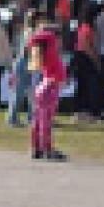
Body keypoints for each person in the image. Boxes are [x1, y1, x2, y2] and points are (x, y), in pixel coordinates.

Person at [27, 21, 68, 161]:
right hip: (50, 87)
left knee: (39, 119)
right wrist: (47, 31)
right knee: (46, 121)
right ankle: (46, 148)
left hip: (44, 86)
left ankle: (37, 147)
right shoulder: (51, 48)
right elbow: (41, 37)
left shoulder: (44, 53)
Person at [71, 2, 102, 122]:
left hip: (81, 57)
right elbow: (87, 46)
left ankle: (81, 111)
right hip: (84, 58)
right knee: (88, 86)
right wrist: (96, 60)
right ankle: (84, 112)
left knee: (82, 85)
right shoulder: (87, 28)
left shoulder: (82, 27)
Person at [7, 9, 37, 127]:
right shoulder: (29, 32)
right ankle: (13, 118)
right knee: (20, 92)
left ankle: (30, 117)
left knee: (31, 92)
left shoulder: (26, 31)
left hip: (28, 62)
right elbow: (27, 49)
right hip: (25, 63)